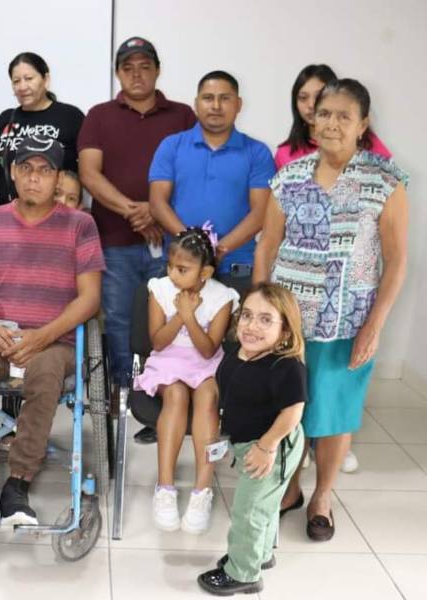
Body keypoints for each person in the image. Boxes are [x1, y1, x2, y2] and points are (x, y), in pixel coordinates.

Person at [254, 79, 408, 542]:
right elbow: (268, 247)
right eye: (324, 114)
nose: (332, 123)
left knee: (335, 412)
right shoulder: (288, 178)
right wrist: (260, 312)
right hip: (289, 323)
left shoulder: (384, 181)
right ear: (311, 121)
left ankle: (322, 496)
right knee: (289, 408)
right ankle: (290, 489)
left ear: (363, 125)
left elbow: (397, 260)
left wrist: (375, 326)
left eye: (345, 115)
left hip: (348, 321)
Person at [0, 136, 104, 529]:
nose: (35, 178)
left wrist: (43, 337)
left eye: (45, 170)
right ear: (12, 173)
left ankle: (18, 484)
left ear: (58, 178)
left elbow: (89, 299)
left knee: (46, 372)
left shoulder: (80, 225)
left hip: (56, 341)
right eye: (26, 168)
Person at [78, 36, 196, 398]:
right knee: (118, 320)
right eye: (128, 68)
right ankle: (122, 395)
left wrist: (155, 209)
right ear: (118, 74)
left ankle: (159, 398)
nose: (137, 75)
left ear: (158, 71)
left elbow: (192, 169)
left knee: (169, 319)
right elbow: (89, 174)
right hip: (114, 241)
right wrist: (134, 210)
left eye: (145, 67)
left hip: (171, 244)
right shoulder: (99, 115)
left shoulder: (182, 116)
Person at [197, 283, 306, 596]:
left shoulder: (285, 367)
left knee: (249, 510)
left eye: (265, 320)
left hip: (272, 444)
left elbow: (292, 414)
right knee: (265, 504)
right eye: (246, 315)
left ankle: (243, 572)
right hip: (250, 441)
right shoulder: (238, 354)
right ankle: (259, 553)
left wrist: (266, 446)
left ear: (285, 331)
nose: (251, 326)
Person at [133, 226, 238, 534]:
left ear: (204, 271)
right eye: (170, 266)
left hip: (205, 365)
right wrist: (180, 314)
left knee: (207, 398)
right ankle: (164, 487)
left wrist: (191, 317)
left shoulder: (222, 297)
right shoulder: (160, 289)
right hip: (168, 361)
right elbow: (158, 342)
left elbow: (207, 350)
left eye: (182, 269)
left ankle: (201, 491)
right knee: (176, 396)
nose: (173, 274)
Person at [149, 71, 276, 294]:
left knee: (238, 330)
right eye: (208, 98)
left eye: (225, 98)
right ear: (196, 104)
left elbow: (261, 212)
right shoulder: (172, 146)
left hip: (238, 271)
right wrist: (193, 248)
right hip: (181, 269)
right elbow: (158, 204)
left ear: (238, 104)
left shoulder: (257, 152)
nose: (216, 105)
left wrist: (220, 248)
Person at [0, 52, 85, 206]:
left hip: (53, 214)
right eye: (16, 81)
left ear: (46, 80)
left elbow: (84, 169)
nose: (22, 87)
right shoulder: (6, 118)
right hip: (8, 213)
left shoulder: (70, 116)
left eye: (29, 79)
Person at [274, 64, 391, 169]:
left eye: (318, 96)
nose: (311, 105)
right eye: (303, 98)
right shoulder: (285, 153)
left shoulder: (369, 144)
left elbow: (393, 186)